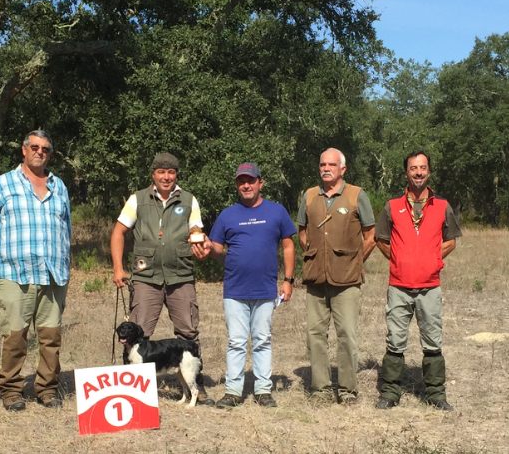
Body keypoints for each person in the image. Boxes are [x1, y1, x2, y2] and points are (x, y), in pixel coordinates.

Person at [110, 152, 213, 404]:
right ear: (153, 174)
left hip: (181, 276)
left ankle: (196, 389)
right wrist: (118, 268)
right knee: (136, 332)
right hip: (146, 278)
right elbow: (118, 232)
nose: (166, 177)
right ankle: (132, 392)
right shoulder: (138, 199)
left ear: (176, 174)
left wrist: (201, 246)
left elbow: (197, 232)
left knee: (188, 332)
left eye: (171, 172)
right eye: (161, 172)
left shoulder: (188, 200)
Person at [0, 130, 71, 412]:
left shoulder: (60, 187)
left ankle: (46, 388)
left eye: (45, 148)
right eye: (34, 147)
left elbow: (66, 229)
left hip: (53, 273)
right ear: (23, 149)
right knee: (15, 336)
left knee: (50, 338)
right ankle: (11, 389)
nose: (39, 152)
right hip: (14, 273)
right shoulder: (2, 185)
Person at [196, 163, 296, 408]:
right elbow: (218, 249)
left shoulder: (277, 211)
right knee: (236, 342)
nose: (246, 185)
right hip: (235, 290)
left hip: (265, 289)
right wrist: (208, 246)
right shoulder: (228, 214)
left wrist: (288, 280)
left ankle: (263, 390)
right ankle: (233, 391)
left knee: (262, 340)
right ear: (237, 186)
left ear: (260, 183)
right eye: (241, 181)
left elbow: (288, 246)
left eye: (250, 180)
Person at [374, 150, 462, 411]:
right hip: (399, 286)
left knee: (433, 341)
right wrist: (399, 259)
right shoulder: (392, 206)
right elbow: (380, 239)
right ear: (406, 173)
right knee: (395, 342)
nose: (418, 172)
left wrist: (434, 258)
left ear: (429, 171)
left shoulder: (442, 206)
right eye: (413, 168)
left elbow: (451, 240)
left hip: (429, 286)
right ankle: (390, 393)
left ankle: (436, 395)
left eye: (423, 168)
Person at [297, 148, 376, 404]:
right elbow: (302, 233)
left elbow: (371, 236)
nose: (326, 168)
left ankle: (347, 391)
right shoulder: (309, 196)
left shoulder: (356, 195)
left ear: (343, 169)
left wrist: (353, 262)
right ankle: (320, 389)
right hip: (315, 279)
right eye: (322, 164)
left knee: (347, 335)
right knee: (315, 335)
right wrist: (316, 256)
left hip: (347, 281)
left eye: (332, 164)